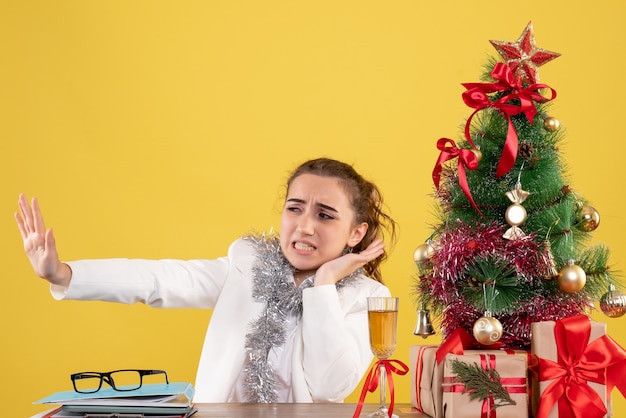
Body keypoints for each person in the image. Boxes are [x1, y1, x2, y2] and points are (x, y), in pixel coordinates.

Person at [15, 157, 397, 404]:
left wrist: (325, 284)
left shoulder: (369, 298)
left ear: (355, 232)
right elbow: (160, 279)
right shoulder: (247, 265)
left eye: (326, 215)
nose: (305, 226)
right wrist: (64, 274)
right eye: (294, 208)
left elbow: (330, 387)